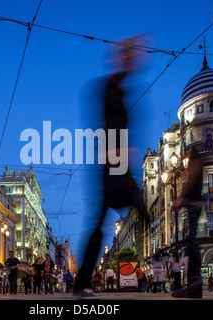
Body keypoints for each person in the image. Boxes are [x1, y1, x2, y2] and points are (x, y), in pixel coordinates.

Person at [73, 35, 150, 300]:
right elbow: (107, 125)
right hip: (112, 165)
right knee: (105, 222)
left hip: (117, 165)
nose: (136, 60)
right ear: (122, 56)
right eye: (132, 54)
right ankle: (81, 282)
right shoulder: (109, 87)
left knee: (105, 222)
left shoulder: (120, 87)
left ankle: (81, 283)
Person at [171, 145, 204, 298]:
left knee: (192, 243)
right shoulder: (196, 161)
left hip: (194, 204)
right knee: (191, 243)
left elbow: (191, 180)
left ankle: (194, 283)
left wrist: (181, 197)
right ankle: (194, 284)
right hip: (194, 204)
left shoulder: (196, 160)